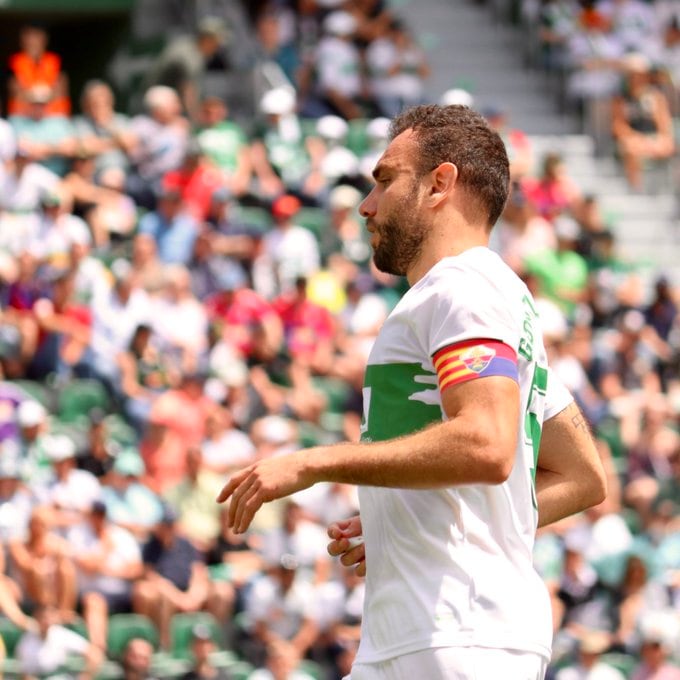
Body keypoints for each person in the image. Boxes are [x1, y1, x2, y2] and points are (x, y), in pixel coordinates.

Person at [217, 104, 607, 679]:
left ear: (439, 184)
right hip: (427, 632)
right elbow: (582, 477)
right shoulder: (495, 297)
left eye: (383, 179)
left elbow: (487, 444)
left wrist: (315, 463)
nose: (365, 205)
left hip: (458, 633)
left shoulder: (462, 289)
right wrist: (415, 516)